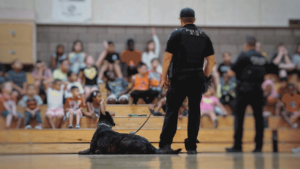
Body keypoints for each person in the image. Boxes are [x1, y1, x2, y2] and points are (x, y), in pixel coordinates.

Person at [158, 8, 215, 154]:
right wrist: (205, 78)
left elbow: (167, 58)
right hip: (197, 78)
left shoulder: (176, 34)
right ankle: (191, 146)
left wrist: (164, 78)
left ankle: (165, 145)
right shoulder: (204, 36)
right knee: (195, 111)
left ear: (181, 19)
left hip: (179, 78)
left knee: (172, 110)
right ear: (194, 20)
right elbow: (211, 61)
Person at [225, 37, 267, 153]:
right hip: (258, 90)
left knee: (240, 118)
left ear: (247, 45)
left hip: (244, 90)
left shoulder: (244, 56)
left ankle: (237, 146)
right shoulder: (262, 58)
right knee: (259, 119)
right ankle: (259, 146)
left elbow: (231, 71)